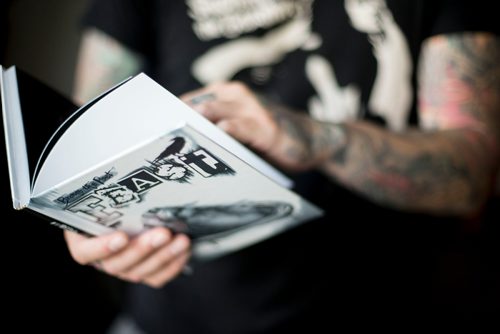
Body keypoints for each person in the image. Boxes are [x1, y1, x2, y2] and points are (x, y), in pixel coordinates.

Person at [66, 0, 500, 332]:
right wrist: (92, 231)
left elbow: (473, 172)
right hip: (168, 320)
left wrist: (314, 138)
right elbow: (88, 147)